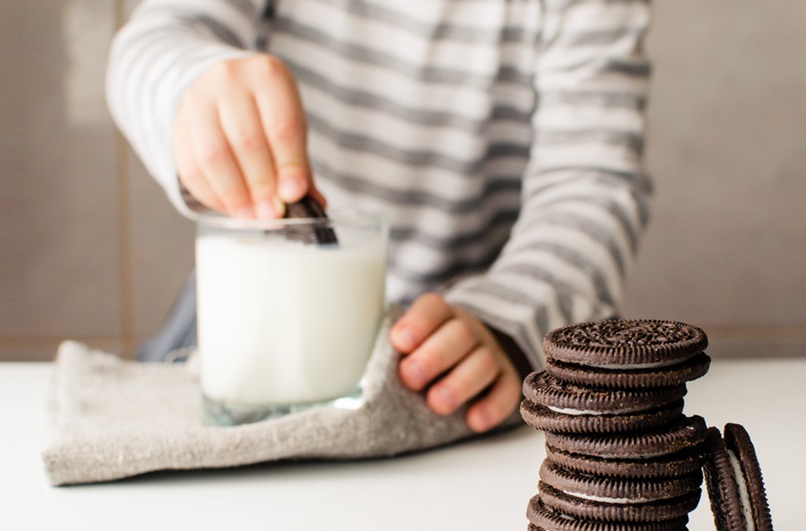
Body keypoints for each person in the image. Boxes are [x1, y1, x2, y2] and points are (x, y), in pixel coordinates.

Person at [106, 0, 652, 433]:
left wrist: (509, 320)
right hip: (241, 322)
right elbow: (151, 40)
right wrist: (192, 86)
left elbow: (591, 184)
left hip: (460, 340)